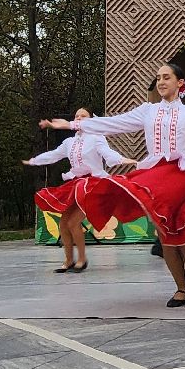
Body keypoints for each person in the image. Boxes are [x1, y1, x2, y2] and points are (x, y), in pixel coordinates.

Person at [45, 62, 185, 308]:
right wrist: (73, 125)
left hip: (181, 176)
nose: (161, 82)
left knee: (182, 236)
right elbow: (114, 123)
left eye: (166, 77)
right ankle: (181, 289)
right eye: (158, 77)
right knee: (165, 236)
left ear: (180, 83)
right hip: (155, 177)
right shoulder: (147, 111)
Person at [23, 108, 130, 274]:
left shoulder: (96, 138)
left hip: (92, 185)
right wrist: (34, 161)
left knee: (73, 222)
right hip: (76, 184)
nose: (79, 118)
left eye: (84, 116)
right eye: (77, 116)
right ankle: (68, 260)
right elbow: (54, 155)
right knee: (63, 224)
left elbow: (108, 154)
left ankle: (82, 259)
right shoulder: (69, 143)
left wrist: (124, 160)